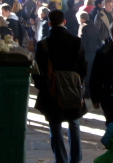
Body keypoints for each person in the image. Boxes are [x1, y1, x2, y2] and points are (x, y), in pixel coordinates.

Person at [32, 10, 87, 163]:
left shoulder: (43, 44)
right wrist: (77, 81)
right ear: (65, 22)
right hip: (72, 88)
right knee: (74, 123)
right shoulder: (76, 41)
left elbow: (37, 70)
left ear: (49, 23)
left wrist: (43, 86)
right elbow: (83, 66)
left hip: (51, 91)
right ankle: (75, 159)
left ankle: (60, 160)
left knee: (55, 127)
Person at [77, 11, 102, 98]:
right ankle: (93, 91)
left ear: (82, 19)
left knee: (87, 73)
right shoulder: (95, 26)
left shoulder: (83, 27)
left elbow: (82, 42)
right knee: (93, 72)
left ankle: (87, 92)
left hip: (87, 53)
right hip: (95, 51)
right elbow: (100, 39)